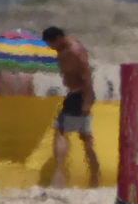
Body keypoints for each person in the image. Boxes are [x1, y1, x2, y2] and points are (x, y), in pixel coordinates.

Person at [42, 27, 100, 188]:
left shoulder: (73, 52)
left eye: (51, 44)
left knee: (60, 131)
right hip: (77, 95)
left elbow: (87, 75)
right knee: (85, 138)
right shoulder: (67, 48)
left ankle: (60, 174)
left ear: (59, 38)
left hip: (79, 95)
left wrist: (87, 101)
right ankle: (95, 177)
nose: (50, 48)